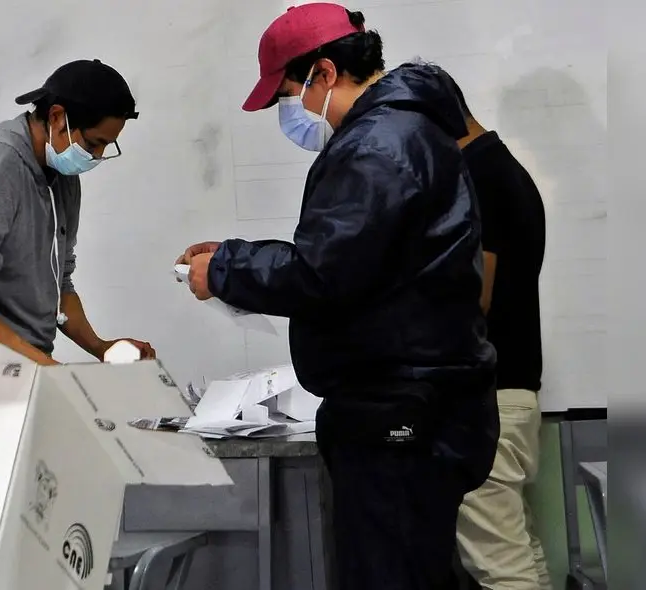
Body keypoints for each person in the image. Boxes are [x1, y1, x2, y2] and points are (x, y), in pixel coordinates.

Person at [176, 5, 498, 589]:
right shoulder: (409, 131)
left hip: (398, 411)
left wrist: (224, 270)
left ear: (325, 73)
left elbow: (323, 273)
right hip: (421, 405)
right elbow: (357, 255)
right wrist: (236, 254)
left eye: (289, 94)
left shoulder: (377, 145)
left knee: (387, 574)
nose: (290, 112)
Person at [0, 59, 155, 365]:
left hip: (25, 363)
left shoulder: (62, 176)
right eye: (93, 143)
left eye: (106, 146)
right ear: (57, 116)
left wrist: (102, 348)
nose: (96, 156)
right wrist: (50, 373)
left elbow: (59, 284)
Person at [450, 78, 551, 590]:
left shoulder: (479, 178)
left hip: (490, 401)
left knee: (501, 568)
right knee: (519, 554)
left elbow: (475, 295)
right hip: (515, 390)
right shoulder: (505, 168)